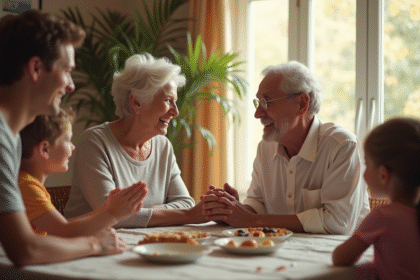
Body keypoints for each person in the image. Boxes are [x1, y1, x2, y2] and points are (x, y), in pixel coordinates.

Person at [0, 9, 132, 266]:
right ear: (36, 68)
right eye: (67, 70)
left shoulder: (11, 138)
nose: (71, 85)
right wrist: (96, 243)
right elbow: (26, 251)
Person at [201, 61, 370, 234]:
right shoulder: (265, 148)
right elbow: (258, 203)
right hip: (278, 249)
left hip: (338, 256)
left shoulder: (342, 146)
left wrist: (252, 220)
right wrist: (232, 208)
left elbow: (338, 222)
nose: (257, 113)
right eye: (257, 103)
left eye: (266, 103)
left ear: (302, 104)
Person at [64, 53, 207, 227]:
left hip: (146, 244)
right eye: (168, 101)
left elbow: (185, 202)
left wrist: (146, 213)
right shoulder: (94, 143)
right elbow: (111, 215)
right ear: (137, 102)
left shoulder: (163, 146)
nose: (175, 112)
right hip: (92, 247)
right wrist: (187, 216)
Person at [19, 108, 148, 236]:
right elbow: (65, 231)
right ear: (45, 149)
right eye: (68, 140)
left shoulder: (29, 184)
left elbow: (63, 225)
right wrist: (113, 214)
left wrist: (106, 209)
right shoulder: (27, 187)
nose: (73, 147)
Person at [332, 117, 420, 279]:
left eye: (366, 163)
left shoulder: (383, 217)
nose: (364, 172)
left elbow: (340, 257)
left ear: (383, 174)